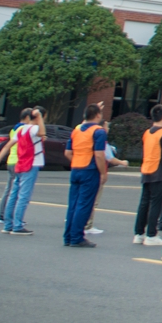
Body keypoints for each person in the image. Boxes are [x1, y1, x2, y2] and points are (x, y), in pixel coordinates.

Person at [0, 108, 44, 234]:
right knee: (23, 196)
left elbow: (7, 145)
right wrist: (40, 117)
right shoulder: (34, 129)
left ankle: (8, 224)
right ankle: (18, 225)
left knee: (13, 194)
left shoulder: (21, 130)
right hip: (31, 164)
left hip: (20, 163)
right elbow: (42, 132)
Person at [63, 103, 108, 248]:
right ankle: (77, 237)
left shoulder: (76, 130)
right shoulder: (99, 131)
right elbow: (99, 155)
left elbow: (67, 153)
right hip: (90, 170)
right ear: (98, 115)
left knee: (73, 204)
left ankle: (68, 236)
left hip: (76, 168)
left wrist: (77, 161)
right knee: (84, 205)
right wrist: (103, 172)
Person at [134, 105, 162, 245]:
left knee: (144, 203)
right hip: (159, 172)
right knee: (156, 204)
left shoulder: (147, 132)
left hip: (147, 169)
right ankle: (151, 235)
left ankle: (139, 234)